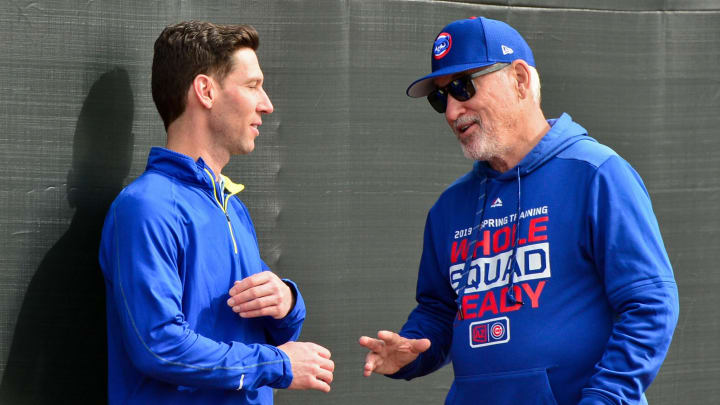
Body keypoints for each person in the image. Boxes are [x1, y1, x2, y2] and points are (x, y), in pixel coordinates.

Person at [358, 16, 678, 405]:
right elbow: (439, 310)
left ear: (521, 79)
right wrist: (412, 349)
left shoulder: (596, 174)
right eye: (440, 97)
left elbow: (649, 304)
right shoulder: (449, 208)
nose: (452, 111)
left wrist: (606, 398)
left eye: (463, 87)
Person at [99, 21, 333, 404]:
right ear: (205, 91)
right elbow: (158, 345)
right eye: (252, 86)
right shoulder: (146, 207)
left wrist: (287, 304)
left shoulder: (232, 207)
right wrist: (277, 365)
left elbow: (265, 333)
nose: (267, 104)